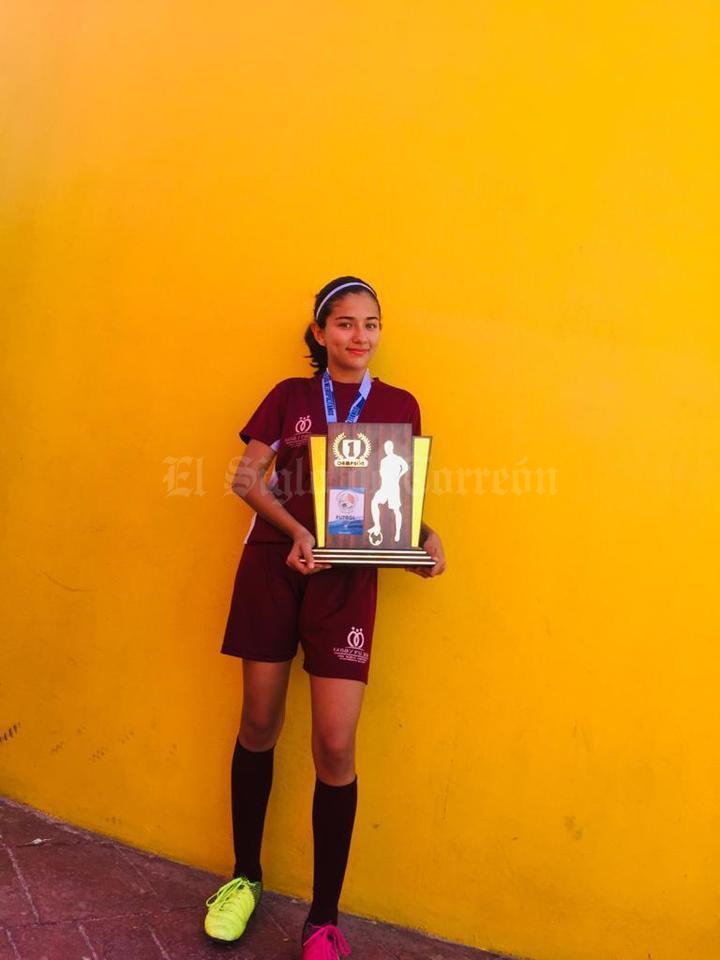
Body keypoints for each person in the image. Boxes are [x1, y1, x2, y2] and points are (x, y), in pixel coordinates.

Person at [203, 276, 446, 959]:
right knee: (258, 722)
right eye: (343, 323)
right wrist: (296, 533)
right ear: (319, 333)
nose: (358, 335)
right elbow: (247, 480)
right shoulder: (289, 397)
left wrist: (421, 539)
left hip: (347, 584)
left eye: (370, 323)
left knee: (335, 746)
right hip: (276, 570)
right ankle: (244, 878)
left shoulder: (398, 404)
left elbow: (389, 498)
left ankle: (324, 919)